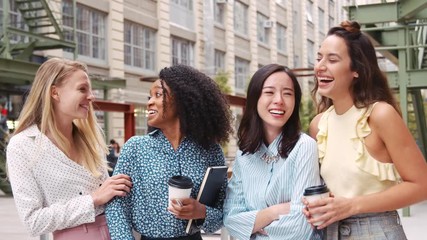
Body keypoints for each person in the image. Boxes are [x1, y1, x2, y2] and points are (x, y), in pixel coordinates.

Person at [304, 20, 427, 239]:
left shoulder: (380, 115)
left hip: (376, 231)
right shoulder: (318, 124)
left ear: (356, 70)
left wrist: (351, 206)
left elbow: (421, 185)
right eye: (319, 57)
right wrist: (316, 206)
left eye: (332, 59)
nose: (320, 66)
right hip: (330, 232)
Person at [6, 58, 132, 239]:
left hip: (117, 231)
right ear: (55, 93)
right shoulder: (23, 145)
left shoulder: (90, 139)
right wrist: (93, 199)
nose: (91, 96)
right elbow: (33, 222)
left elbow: (109, 197)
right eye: (82, 89)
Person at [106, 64, 233, 240]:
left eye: (158, 95)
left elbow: (222, 211)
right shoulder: (135, 148)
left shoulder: (210, 151)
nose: (150, 101)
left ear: (183, 100)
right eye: (149, 96)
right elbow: (116, 206)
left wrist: (201, 211)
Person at [223, 64, 321, 239]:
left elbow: (301, 226)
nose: (279, 100)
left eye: (288, 93)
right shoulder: (244, 154)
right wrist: (273, 212)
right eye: (269, 92)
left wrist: (253, 224)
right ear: (255, 99)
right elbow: (231, 219)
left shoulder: (304, 147)